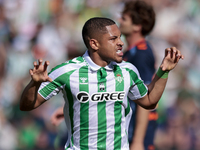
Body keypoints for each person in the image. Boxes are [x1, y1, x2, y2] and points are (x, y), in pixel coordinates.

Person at [20, 17, 184, 150]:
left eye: (120, 37)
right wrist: (34, 84)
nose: (121, 42)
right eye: (113, 39)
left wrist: (164, 72)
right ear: (94, 44)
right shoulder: (67, 71)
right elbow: (27, 105)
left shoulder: (128, 70)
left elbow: (149, 102)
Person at [119, 1, 157, 150]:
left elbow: (145, 96)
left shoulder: (141, 53)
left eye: (124, 18)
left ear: (137, 26)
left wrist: (138, 141)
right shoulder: (131, 53)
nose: (119, 21)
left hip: (137, 131)